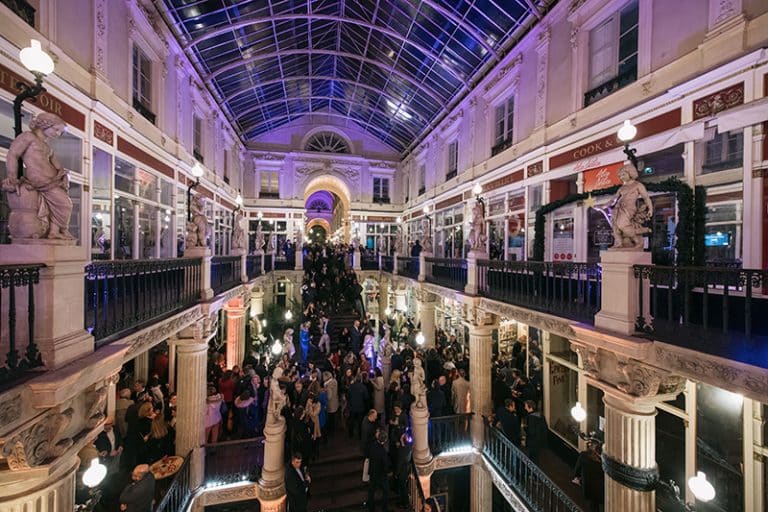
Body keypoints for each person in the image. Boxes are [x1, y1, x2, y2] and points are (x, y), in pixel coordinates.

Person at [366, 428, 390, 512]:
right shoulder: (383, 452)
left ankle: (371, 508)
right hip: (381, 475)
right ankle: (385, 509)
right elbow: (385, 466)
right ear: (385, 440)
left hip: (373, 472)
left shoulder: (372, 446)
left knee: (371, 491)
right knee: (386, 492)